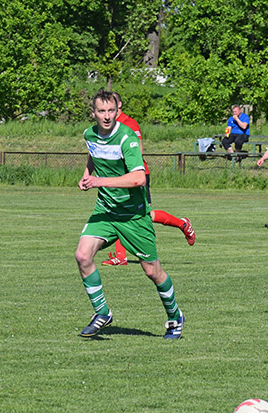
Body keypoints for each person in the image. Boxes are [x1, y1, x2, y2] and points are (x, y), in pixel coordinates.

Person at [75, 89, 184, 339]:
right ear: (93, 113)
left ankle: (175, 317)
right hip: (105, 210)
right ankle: (102, 313)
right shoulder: (89, 134)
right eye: (101, 111)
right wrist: (87, 173)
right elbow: (93, 153)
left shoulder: (127, 138)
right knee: (82, 255)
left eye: (111, 111)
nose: (106, 116)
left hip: (133, 216)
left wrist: (99, 181)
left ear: (117, 111)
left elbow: (138, 178)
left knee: (152, 271)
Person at [102, 92, 195, 267]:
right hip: (118, 177)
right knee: (117, 211)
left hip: (136, 175)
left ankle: (182, 223)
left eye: (111, 105)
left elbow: (138, 151)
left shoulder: (129, 123)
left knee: (144, 215)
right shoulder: (108, 125)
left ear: (119, 105)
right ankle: (121, 256)